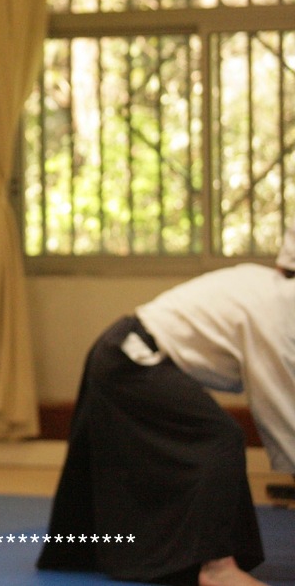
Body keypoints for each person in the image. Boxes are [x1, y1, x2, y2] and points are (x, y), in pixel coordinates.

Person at [38, 230, 295, 586]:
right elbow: (284, 415)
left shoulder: (267, 287)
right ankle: (217, 568)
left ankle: (149, 554)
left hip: (125, 353)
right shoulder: (280, 308)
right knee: (219, 439)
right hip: (131, 357)